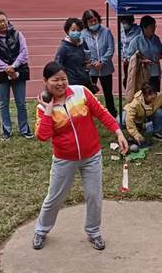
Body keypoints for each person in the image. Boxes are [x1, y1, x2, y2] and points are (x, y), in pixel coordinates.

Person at [33, 61, 128, 251]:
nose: (60, 83)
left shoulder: (81, 92)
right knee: (55, 197)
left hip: (91, 155)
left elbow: (101, 113)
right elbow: (42, 136)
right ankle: (41, 230)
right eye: (55, 80)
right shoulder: (43, 108)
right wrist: (49, 109)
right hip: (64, 159)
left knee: (94, 195)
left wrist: (118, 132)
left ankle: (93, 231)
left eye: (63, 79)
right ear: (45, 81)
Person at [0, 9, 32, 141]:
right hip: (1, 74)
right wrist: (6, 68)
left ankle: (24, 129)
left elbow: (24, 52)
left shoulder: (18, 34)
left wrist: (14, 66)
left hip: (19, 71)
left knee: (21, 103)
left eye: (4, 20)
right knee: (3, 103)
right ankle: (6, 130)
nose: (3, 24)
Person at [81, 9, 117, 118]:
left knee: (108, 92)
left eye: (95, 20)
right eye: (90, 21)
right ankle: (88, 114)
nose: (93, 23)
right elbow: (83, 50)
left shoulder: (106, 32)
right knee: (89, 93)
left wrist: (102, 61)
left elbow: (110, 48)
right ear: (86, 23)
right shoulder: (83, 34)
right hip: (91, 70)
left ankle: (112, 113)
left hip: (106, 68)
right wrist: (93, 62)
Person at [55, 18, 95, 90]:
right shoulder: (64, 48)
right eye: (73, 30)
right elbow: (58, 64)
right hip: (71, 83)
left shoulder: (83, 43)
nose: (76, 32)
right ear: (67, 31)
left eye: (78, 30)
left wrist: (89, 64)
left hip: (85, 81)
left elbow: (88, 57)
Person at [127, 15, 162, 92]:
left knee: (155, 95)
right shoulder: (136, 41)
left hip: (155, 73)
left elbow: (161, 51)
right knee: (144, 96)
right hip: (142, 74)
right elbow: (129, 58)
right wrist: (142, 61)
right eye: (151, 27)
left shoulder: (156, 39)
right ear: (144, 27)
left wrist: (160, 55)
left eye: (155, 26)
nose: (154, 28)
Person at [120, 15, 140, 88]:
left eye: (125, 22)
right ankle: (128, 92)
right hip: (126, 60)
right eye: (122, 22)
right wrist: (122, 56)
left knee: (136, 78)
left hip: (135, 59)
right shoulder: (121, 30)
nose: (124, 24)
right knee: (127, 78)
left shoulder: (138, 30)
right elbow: (120, 45)